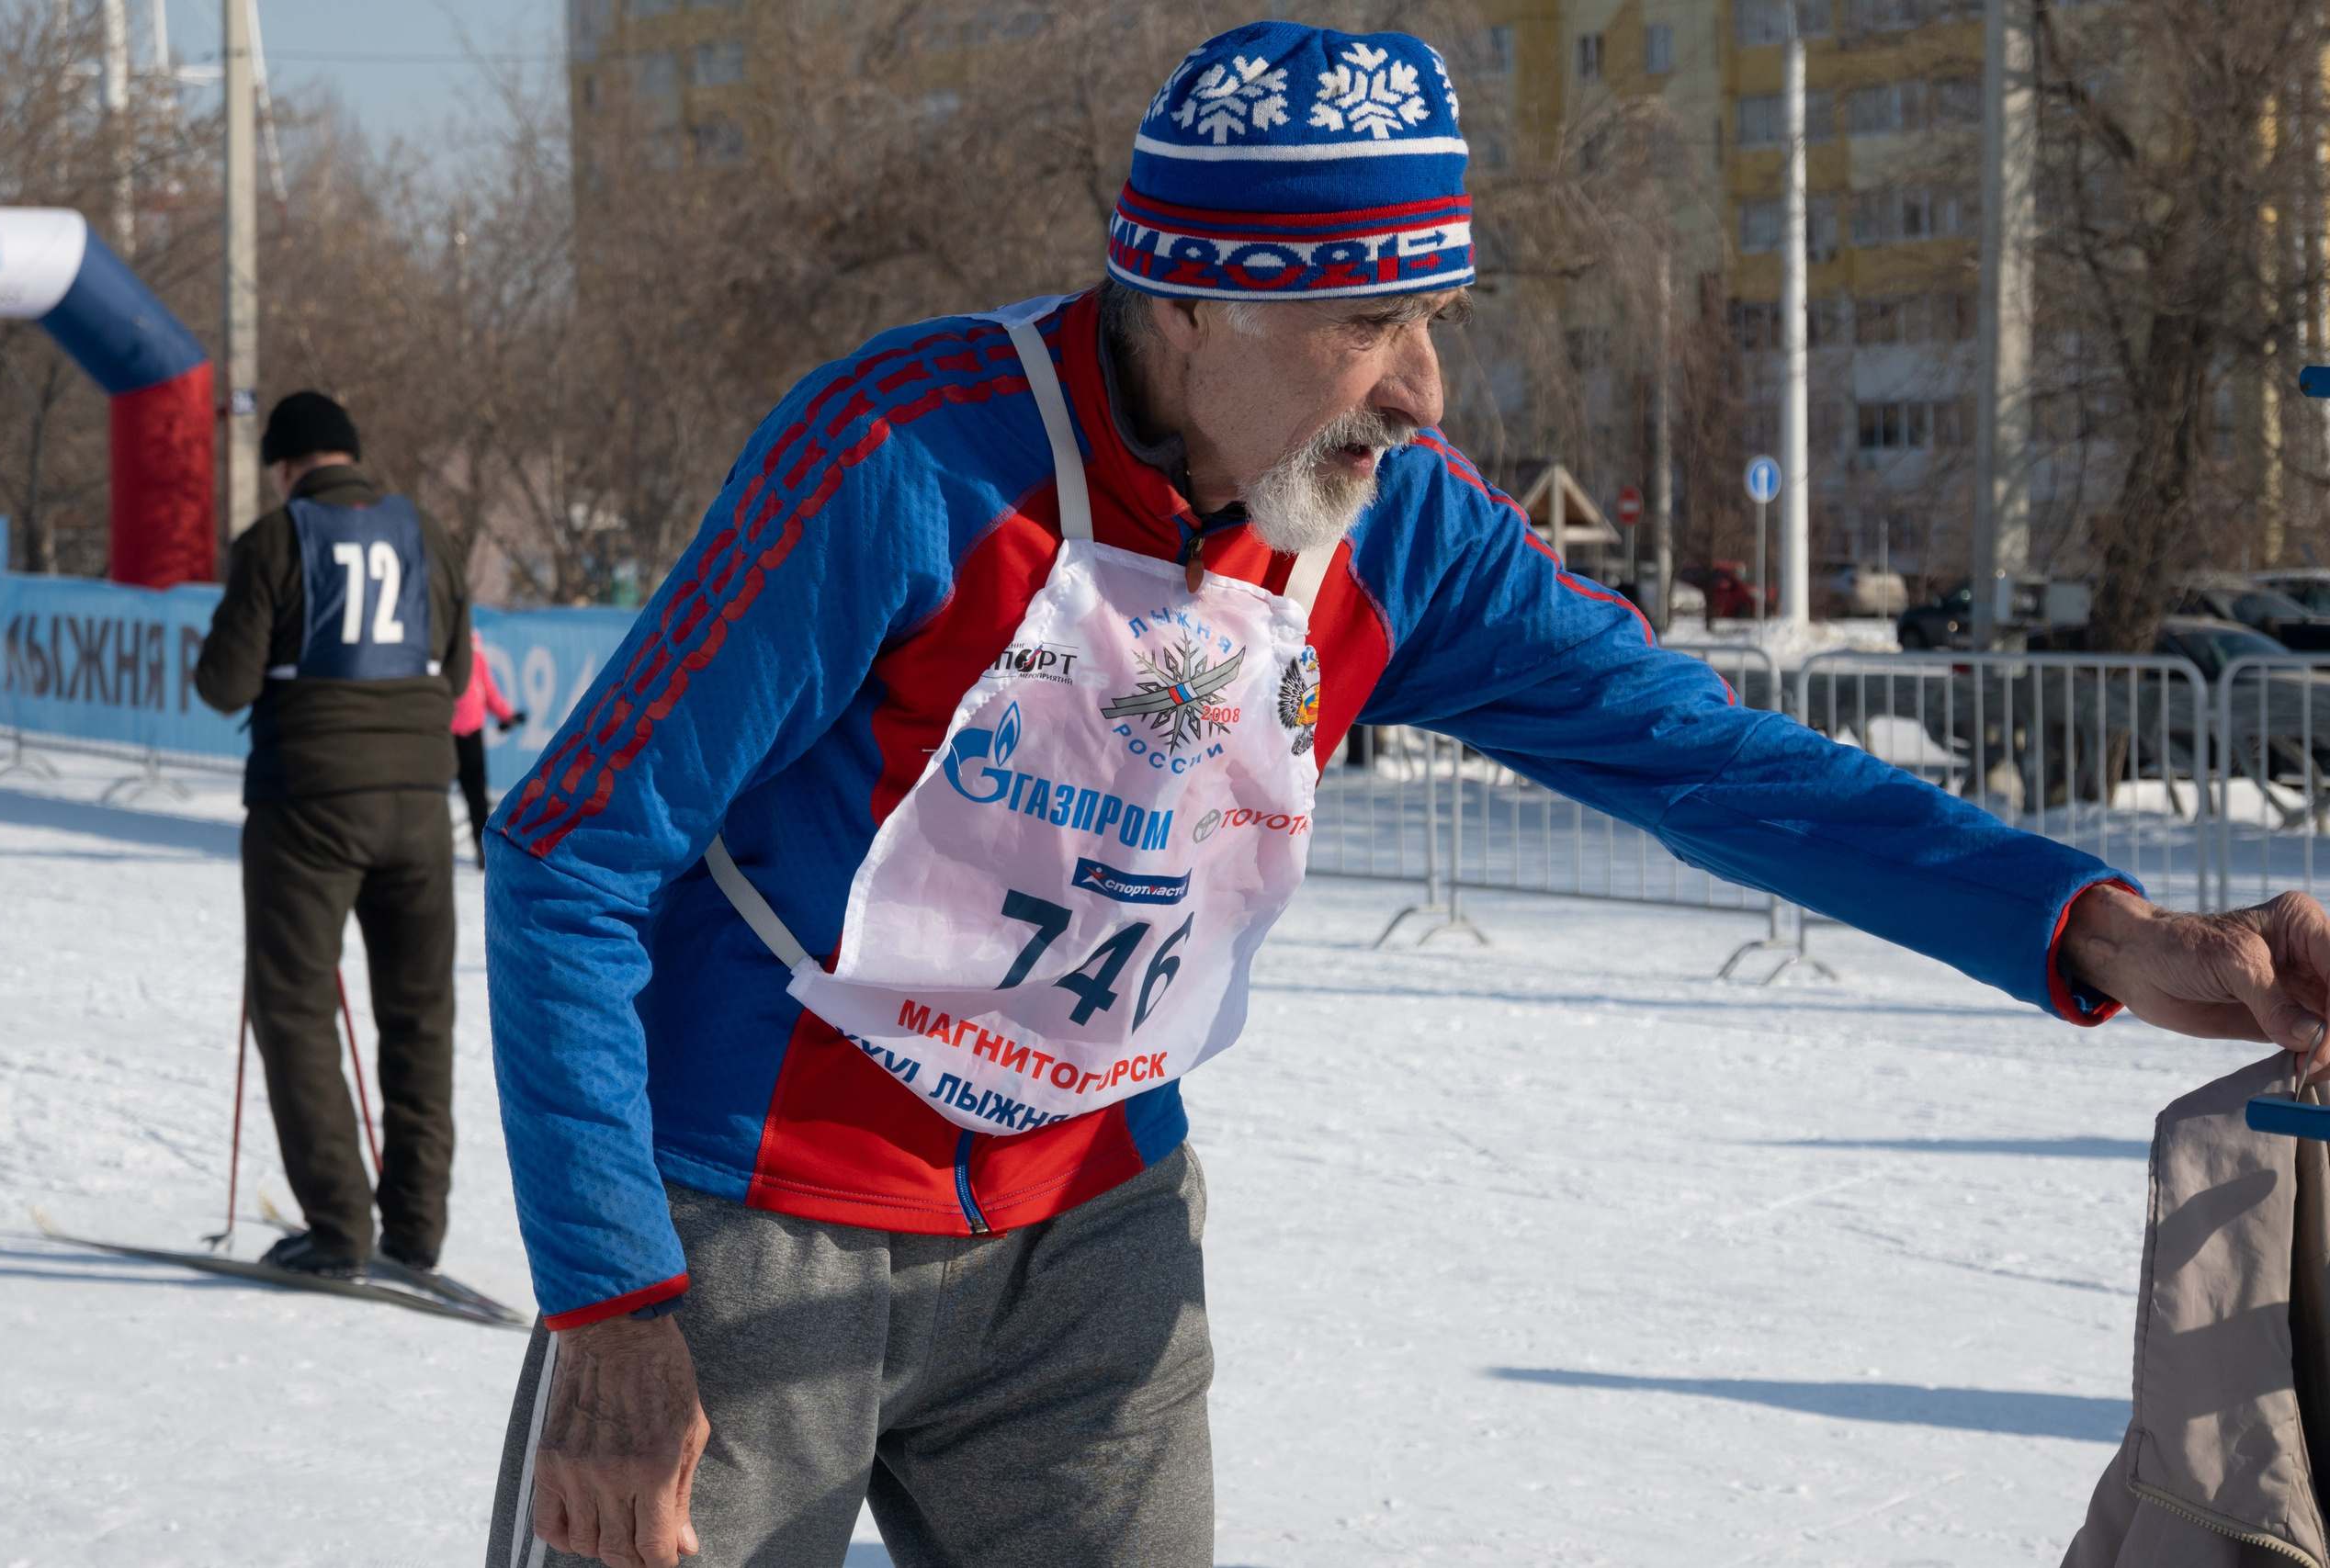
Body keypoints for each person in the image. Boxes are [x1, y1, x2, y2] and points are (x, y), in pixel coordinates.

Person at [480, 23, 2330, 1568]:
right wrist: (613, 1305)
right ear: (1189, 305)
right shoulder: (903, 456)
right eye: (1368, 322)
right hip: (751, 1205)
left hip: (1090, 1225)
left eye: (1433, 314)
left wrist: (2100, 929)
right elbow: (572, 854)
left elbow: (1713, 761)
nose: (1424, 390)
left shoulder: (1400, 535)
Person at [196, 390, 473, 1283]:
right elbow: (457, 671)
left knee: (295, 1008)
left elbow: (224, 685)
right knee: (419, 1015)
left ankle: (340, 1226)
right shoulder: (425, 533)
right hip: (420, 806)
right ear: (350, 455)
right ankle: (417, 1227)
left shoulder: (277, 540)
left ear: (284, 466)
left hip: (308, 805)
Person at [452, 629, 521, 869]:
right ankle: (479, 849)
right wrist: (506, 714)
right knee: (473, 792)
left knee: (471, 792)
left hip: (453, 729)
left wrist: (506, 715)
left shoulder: (465, 646)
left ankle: (480, 848)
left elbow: (486, 688)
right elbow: (486, 688)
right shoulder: (470, 646)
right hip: (454, 728)